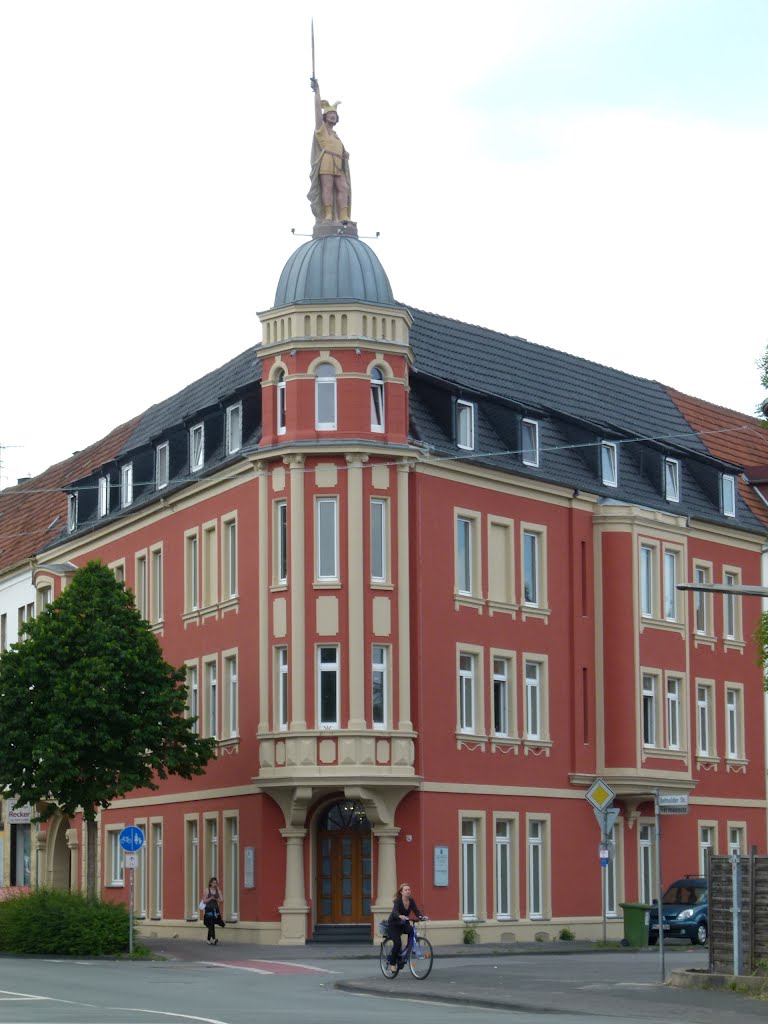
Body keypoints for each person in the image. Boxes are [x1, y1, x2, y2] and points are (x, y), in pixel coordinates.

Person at [308, 77, 351, 223]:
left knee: (343, 187)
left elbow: (340, 148)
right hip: (326, 161)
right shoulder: (321, 130)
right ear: (325, 116)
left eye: (335, 114)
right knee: (327, 186)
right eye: (330, 114)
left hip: (339, 163)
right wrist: (317, 92)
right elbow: (316, 112)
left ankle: (343, 215)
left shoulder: (336, 135)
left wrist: (345, 154)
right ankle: (328, 214)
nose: (333, 115)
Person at [386, 882, 426, 969]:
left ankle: (409, 949)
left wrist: (421, 917)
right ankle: (393, 964)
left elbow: (416, 911)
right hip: (394, 925)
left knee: (412, 930)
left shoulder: (411, 901)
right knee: (397, 943)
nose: (408, 891)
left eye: (409, 889)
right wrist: (400, 916)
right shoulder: (398, 901)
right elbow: (395, 911)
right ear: (401, 892)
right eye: (405, 890)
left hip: (403, 924)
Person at [202, 876, 224, 945]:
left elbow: (222, 900)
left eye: (216, 883)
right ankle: (214, 939)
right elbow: (204, 901)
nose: (215, 884)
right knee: (211, 923)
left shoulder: (218, 891)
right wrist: (210, 898)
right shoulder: (207, 890)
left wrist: (216, 899)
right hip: (208, 910)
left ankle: (208, 939)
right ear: (211, 883)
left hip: (215, 910)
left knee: (217, 924)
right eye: (213, 883)